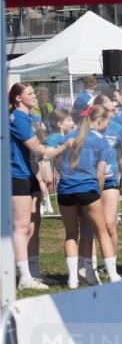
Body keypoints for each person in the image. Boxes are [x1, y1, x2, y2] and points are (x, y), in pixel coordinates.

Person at [9, 83, 71, 289]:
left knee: (34, 227)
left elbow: (41, 149)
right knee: (21, 226)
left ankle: (34, 273)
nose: (34, 96)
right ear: (18, 98)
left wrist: (41, 181)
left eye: (34, 93)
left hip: (31, 175)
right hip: (16, 175)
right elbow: (39, 150)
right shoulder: (17, 118)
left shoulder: (33, 118)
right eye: (30, 93)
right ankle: (23, 276)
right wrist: (64, 146)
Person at [57, 105, 121, 287]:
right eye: (107, 121)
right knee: (102, 234)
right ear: (99, 121)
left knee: (70, 234)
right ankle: (113, 274)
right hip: (88, 189)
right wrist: (98, 195)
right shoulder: (101, 141)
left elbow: (59, 162)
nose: (108, 124)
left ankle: (73, 278)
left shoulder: (68, 136)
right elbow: (101, 174)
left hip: (66, 189)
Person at [76, 94, 122, 280]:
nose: (113, 109)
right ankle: (88, 268)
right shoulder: (85, 129)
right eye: (109, 107)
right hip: (90, 181)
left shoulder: (117, 128)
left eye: (113, 107)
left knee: (109, 224)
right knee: (89, 227)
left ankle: (111, 267)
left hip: (110, 181)